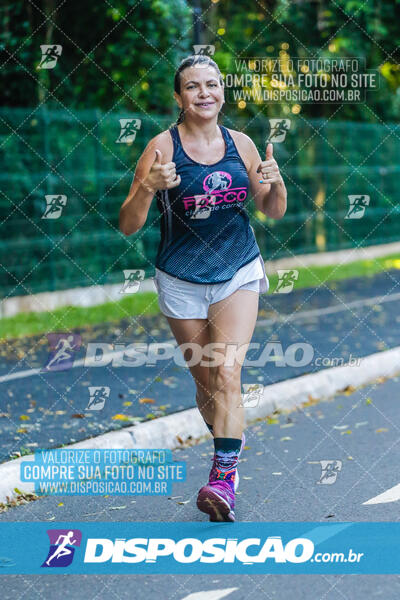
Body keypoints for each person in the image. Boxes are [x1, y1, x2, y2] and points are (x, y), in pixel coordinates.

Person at [119, 54, 287, 522]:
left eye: (212, 84)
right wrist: (148, 188)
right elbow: (128, 225)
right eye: (193, 87)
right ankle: (229, 442)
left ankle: (223, 479)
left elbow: (272, 209)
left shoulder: (243, 144)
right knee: (207, 387)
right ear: (179, 97)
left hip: (237, 269)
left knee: (227, 374)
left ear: (222, 92)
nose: (204, 93)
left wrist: (277, 184)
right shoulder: (161, 148)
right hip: (180, 277)